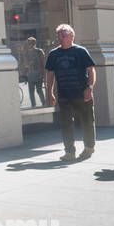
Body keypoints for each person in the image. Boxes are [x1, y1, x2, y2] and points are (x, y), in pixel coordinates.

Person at [44, 24, 96, 161]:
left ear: (72, 35)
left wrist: (89, 88)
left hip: (82, 93)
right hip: (64, 95)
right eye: (59, 34)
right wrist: (49, 92)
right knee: (66, 124)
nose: (61, 36)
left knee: (87, 121)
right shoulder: (53, 54)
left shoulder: (80, 51)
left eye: (64, 33)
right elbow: (50, 74)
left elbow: (91, 70)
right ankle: (69, 152)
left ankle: (89, 147)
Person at [21, 36, 47, 108]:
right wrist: (25, 69)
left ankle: (44, 103)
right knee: (31, 91)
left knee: (39, 90)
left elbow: (43, 63)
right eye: (28, 43)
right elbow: (25, 64)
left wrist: (43, 74)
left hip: (39, 74)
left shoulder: (39, 51)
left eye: (31, 43)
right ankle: (33, 105)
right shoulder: (26, 53)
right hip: (30, 75)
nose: (29, 45)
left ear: (34, 44)